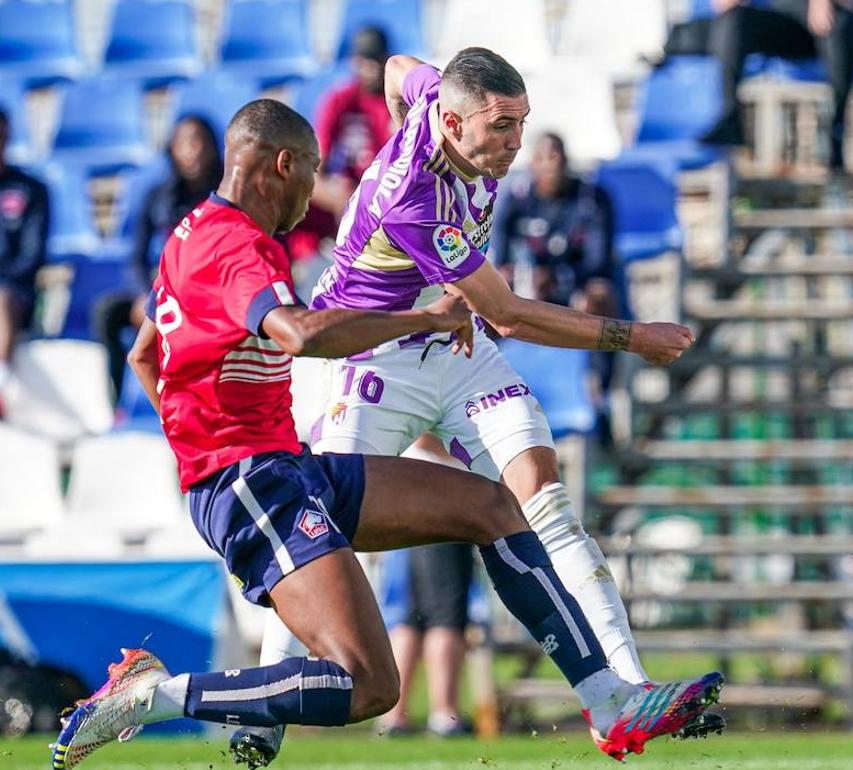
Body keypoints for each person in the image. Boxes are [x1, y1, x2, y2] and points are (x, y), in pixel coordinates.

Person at [50, 98, 722, 770]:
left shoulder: (187, 235)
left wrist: (195, 440)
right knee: (369, 683)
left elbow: (145, 355)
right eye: (311, 174)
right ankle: (155, 697)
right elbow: (301, 333)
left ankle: (608, 698)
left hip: (283, 470)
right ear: (281, 166)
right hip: (250, 481)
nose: (314, 192)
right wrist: (422, 320)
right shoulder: (237, 244)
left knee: (491, 506)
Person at [233, 47, 722, 767]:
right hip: (368, 359)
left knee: (545, 499)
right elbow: (512, 317)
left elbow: (401, 65)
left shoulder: (441, 99)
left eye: (522, 124)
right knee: (318, 538)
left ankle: (625, 693)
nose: (515, 143)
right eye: (501, 127)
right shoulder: (413, 197)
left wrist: (404, 113)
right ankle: (262, 714)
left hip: (450, 344)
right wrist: (633, 337)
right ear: (456, 122)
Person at [665, 0, 853, 172]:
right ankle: (731, 119)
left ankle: (835, 132)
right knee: (733, 20)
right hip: (792, 27)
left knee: (838, 21)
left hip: (844, 25)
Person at [96, 115, 222, 399]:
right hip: (163, 291)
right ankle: (117, 403)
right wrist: (144, 294)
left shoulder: (226, 196)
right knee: (108, 312)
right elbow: (137, 256)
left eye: (199, 141)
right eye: (184, 143)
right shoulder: (158, 197)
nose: (193, 150)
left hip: (211, 293)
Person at [375, 443, 475, 738]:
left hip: (409, 501)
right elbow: (425, 436)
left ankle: (395, 716)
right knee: (446, 616)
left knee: (410, 617)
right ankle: (444, 714)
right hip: (442, 501)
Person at [284, 26, 394, 264]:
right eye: (365, 61)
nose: (371, 69)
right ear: (355, 61)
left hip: (384, 195)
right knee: (290, 191)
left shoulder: (395, 103)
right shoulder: (340, 99)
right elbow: (315, 168)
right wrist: (338, 196)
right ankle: (306, 266)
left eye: (377, 61)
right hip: (344, 194)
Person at [492, 132, 616, 315]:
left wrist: (559, 276)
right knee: (490, 293)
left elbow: (597, 262)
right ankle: (485, 343)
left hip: (575, 281)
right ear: (532, 163)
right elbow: (499, 255)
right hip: (528, 280)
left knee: (599, 293)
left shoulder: (591, 199)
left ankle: (604, 341)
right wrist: (519, 276)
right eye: (542, 158)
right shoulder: (517, 199)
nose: (551, 164)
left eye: (555, 156)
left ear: (566, 160)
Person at [0, 106, 49, 418]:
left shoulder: (31, 190)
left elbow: (31, 257)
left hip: (16, 294)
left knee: (0, 299)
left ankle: (1, 383)